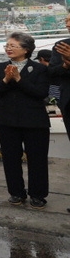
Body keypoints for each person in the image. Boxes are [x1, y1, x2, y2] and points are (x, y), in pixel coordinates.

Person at [0, 32, 52, 208]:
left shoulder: (39, 69)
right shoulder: (0, 67)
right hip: (7, 120)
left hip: (34, 120)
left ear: (26, 49)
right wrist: (6, 79)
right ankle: (16, 192)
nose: (8, 48)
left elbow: (41, 93)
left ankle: (38, 194)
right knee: (10, 158)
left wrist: (18, 79)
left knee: (37, 159)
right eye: (7, 45)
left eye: (13, 46)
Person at [49, 12, 70, 213]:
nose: (68, 24)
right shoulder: (60, 45)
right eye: (67, 21)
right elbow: (52, 73)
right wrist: (66, 64)